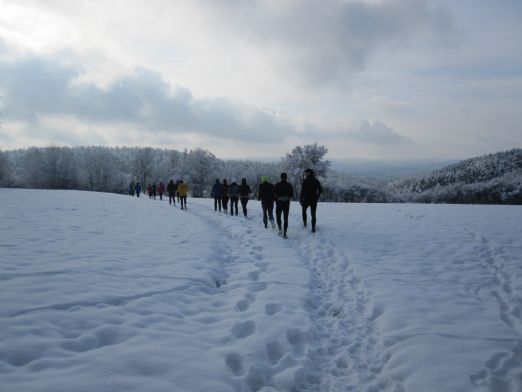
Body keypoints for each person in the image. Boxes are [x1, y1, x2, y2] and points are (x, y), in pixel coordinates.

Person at [300, 168, 323, 233]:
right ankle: (313, 228)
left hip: (306, 199)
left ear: (308, 173)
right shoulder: (316, 180)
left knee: (304, 212)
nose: (304, 173)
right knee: (313, 214)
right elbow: (320, 190)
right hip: (313, 199)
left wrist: (301, 199)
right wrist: (317, 197)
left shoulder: (305, 180)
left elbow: (302, 191)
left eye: (305, 172)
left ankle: (305, 224)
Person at [274, 172, 294, 239]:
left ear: (281, 178)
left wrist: (276, 199)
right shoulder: (289, 185)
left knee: (278, 216)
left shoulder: (277, 185)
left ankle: (280, 229)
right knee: (286, 218)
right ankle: (285, 233)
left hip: (279, 203)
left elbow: (273, 194)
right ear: (286, 178)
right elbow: (291, 195)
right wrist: (286, 197)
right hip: (286, 203)